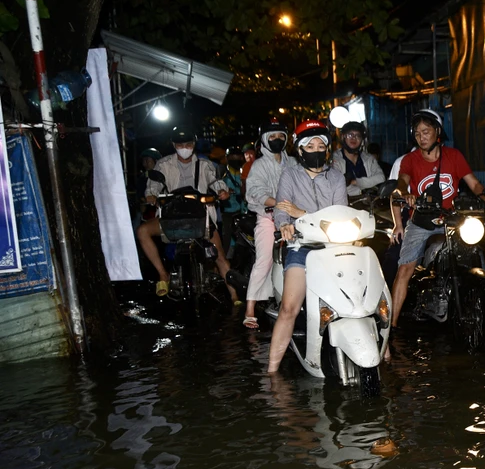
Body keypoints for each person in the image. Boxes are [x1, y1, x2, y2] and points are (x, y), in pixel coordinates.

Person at [389, 109, 485, 328]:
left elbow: (474, 183)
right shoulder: (410, 160)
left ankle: (484, 300)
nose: (421, 137)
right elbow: (401, 183)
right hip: (421, 221)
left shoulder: (453, 156)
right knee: (405, 270)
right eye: (417, 133)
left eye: (426, 131)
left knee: (475, 252)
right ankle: (391, 324)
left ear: (437, 131)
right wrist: (404, 194)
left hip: (451, 219)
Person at [267, 120, 349, 372]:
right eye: (310, 146)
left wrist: (301, 213)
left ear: (327, 149)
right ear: (300, 150)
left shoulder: (336, 177)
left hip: (334, 243)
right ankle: (271, 371)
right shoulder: (290, 175)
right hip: (301, 244)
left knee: (357, 297)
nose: (316, 150)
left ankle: (383, 354)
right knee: (289, 308)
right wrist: (285, 224)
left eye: (320, 146)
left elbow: (340, 213)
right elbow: (282, 208)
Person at [137, 125, 239, 301]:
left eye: (188, 144)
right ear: (173, 145)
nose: (184, 147)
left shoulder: (205, 164)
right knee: (142, 231)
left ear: (194, 144)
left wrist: (222, 191)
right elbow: (153, 185)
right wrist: (151, 195)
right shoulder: (163, 164)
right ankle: (163, 274)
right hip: (171, 217)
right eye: (180, 144)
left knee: (220, 257)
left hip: (201, 217)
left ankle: (235, 297)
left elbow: (215, 180)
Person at [244, 119, 295, 330]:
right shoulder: (259, 165)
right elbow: (255, 190)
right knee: (264, 260)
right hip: (268, 218)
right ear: (264, 139)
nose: (277, 139)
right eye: (272, 136)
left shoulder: (293, 162)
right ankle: (249, 308)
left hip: (293, 218)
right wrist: (277, 202)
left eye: (281, 136)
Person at [331, 121, 386, 197]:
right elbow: (337, 186)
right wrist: (365, 189)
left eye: (358, 136)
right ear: (343, 137)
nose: (354, 138)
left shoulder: (368, 158)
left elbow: (381, 178)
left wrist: (356, 182)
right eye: (350, 135)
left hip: (369, 202)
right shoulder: (334, 159)